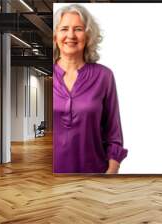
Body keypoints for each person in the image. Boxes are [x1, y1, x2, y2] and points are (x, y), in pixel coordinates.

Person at [53, 4, 127, 173]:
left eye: (78, 29)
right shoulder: (46, 76)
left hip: (94, 174)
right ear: (55, 35)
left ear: (87, 36)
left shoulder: (104, 76)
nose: (70, 35)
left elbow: (114, 133)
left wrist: (111, 173)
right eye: (64, 29)